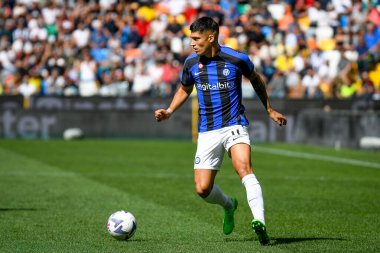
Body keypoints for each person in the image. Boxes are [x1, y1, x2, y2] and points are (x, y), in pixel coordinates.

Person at [154, 17, 287, 245]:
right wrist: (169, 110)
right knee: (202, 188)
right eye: (191, 39)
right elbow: (185, 89)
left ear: (211, 37)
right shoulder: (190, 64)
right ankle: (228, 204)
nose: (192, 44)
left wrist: (269, 109)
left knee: (244, 168)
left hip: (234, 124)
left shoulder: (236, 59)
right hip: (207, 131)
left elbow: (256, 80)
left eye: (196, 39)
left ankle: (260, 222)